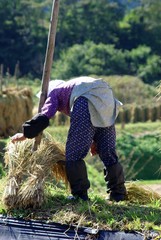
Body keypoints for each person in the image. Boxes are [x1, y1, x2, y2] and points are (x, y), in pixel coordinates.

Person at [11, 76, 127, 202]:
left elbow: (45, 115)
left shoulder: (55, 92)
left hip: (85, 102)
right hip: (108, 100)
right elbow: (95, 119)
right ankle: (118, 194)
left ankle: (79, 196)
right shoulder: (74, 88)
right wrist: (94, 141)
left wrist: (25, 134)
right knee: (108, 152)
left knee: (73, 153)